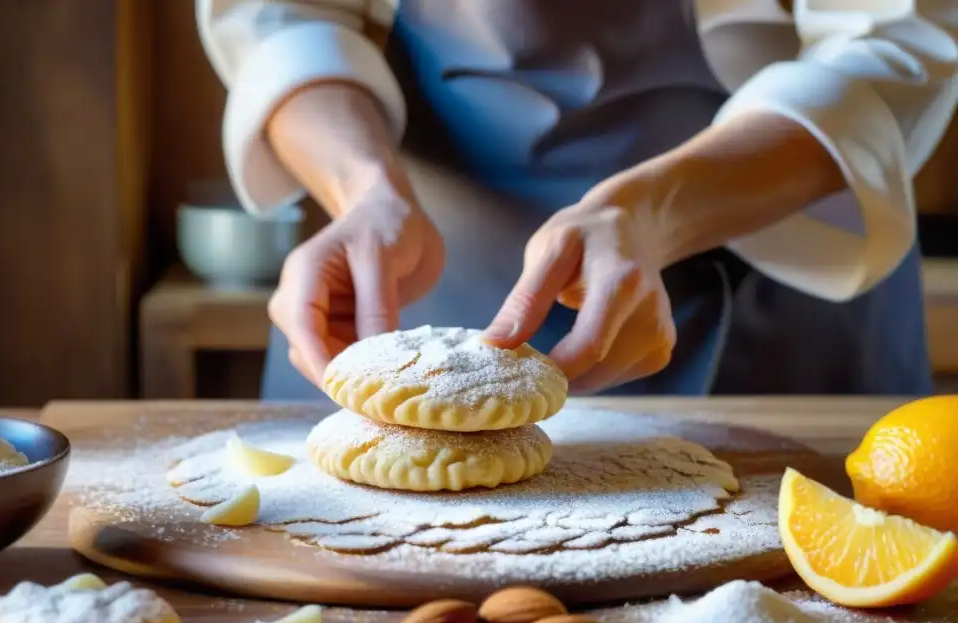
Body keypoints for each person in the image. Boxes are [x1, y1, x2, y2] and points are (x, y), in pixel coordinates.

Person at [196, 0, 958, 400]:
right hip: (419, 286)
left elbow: (899, 44)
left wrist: (655, 210)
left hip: (784, 291)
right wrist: (361, 186)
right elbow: (282, 17)